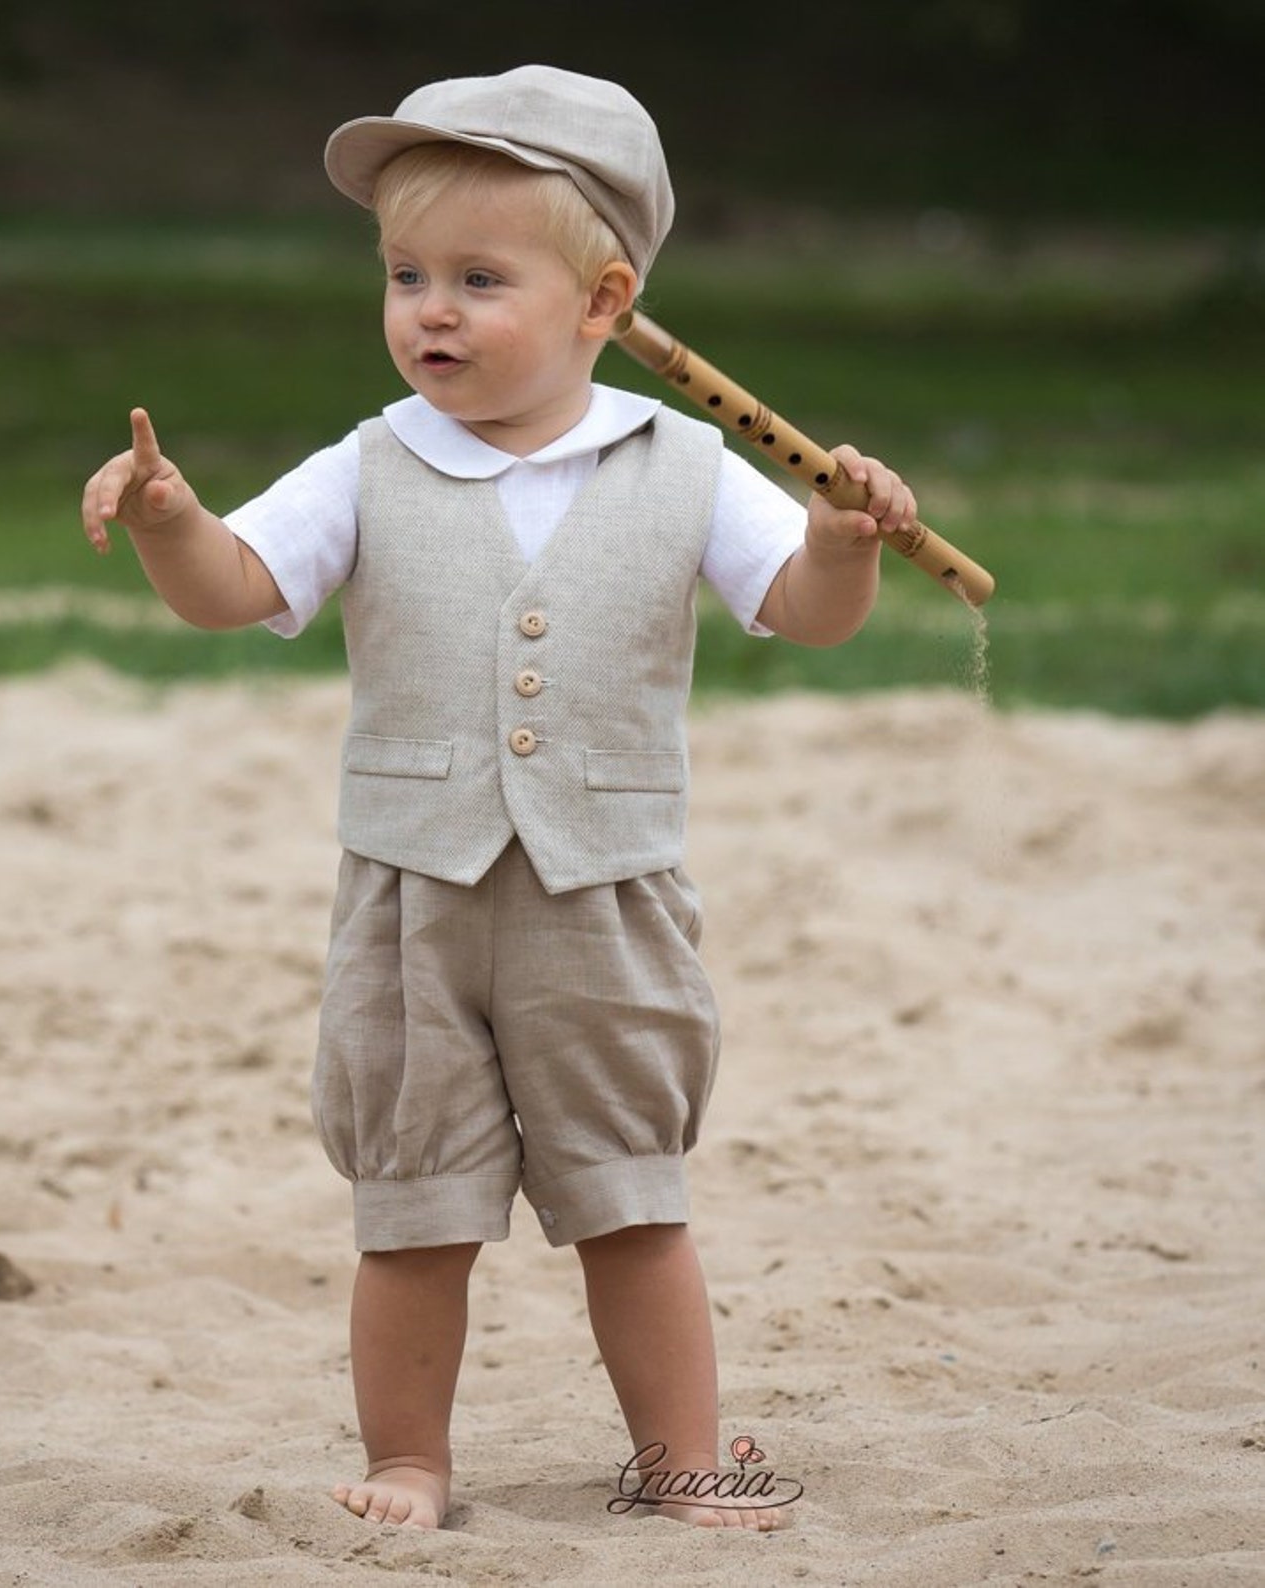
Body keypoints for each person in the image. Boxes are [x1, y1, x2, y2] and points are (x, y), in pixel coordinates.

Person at [80, 64, 916, 1532]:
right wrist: (173, 522)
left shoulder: (689, 466)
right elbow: (237, 590)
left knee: (630, 1196)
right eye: (405, 276)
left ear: (605, 304)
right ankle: (411, 1458)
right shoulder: (367, 463)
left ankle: (680, 1458)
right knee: (414, 1209)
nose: (431, 311)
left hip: (608, 894)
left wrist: (843, 544)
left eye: (478, 277)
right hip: (415, 895)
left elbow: (802, 610)